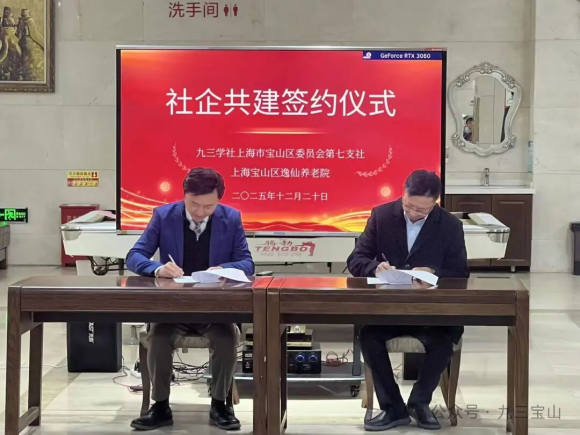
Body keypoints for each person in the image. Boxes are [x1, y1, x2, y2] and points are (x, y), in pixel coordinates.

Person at [127, 167, 254, 431]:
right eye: (193, 204)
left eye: (208, 207)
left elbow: (247, 263)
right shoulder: (164, 216)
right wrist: (158, 269)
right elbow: (134, 256)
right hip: (173, 308)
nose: (199, 212)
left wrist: (226, 269)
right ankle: (160, 406)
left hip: (214, 309)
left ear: (218, 200)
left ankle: (220, 405)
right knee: (158, 340)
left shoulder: (231, 218)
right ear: (184, 195)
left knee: (226, 339)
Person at [347, 170, 469, 432]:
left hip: (431, 313)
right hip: (388, 310)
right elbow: (355, 260)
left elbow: (460, 272)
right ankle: (393, 408)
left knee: (444, 340)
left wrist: (434, 274)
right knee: (368, 336)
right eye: (408, 205)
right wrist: (374, 268)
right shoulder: (381, 216)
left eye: (421, 210)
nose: (413, 213)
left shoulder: (450, 226)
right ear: (403, 193)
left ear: (435, 202)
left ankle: (419, 402)